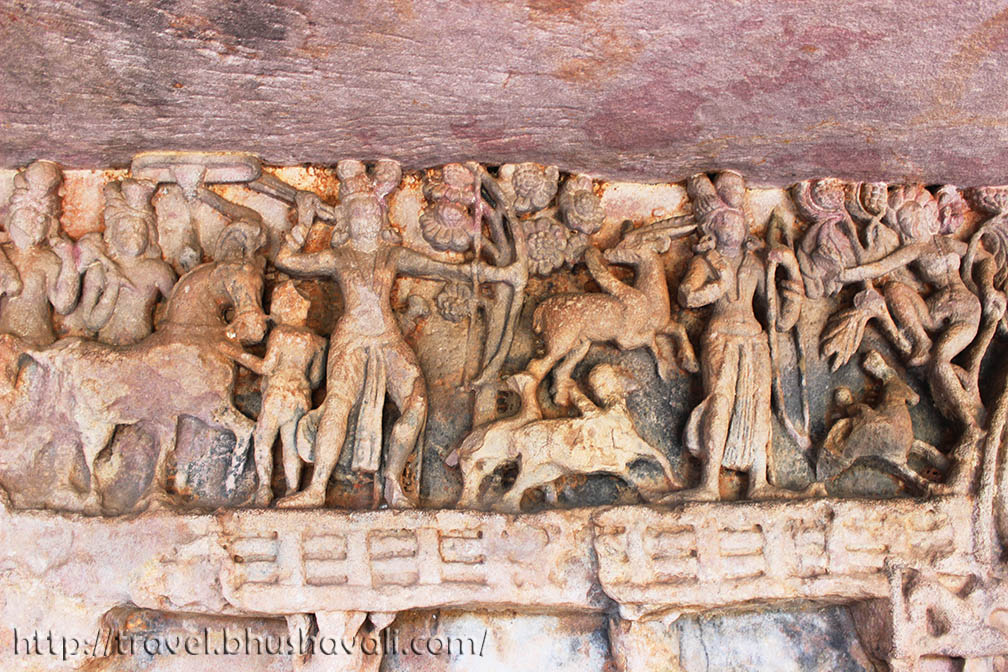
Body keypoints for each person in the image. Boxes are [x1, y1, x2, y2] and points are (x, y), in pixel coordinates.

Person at [273, 159, 521, 508]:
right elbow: (287, 260)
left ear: (380, 218)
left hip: (389, 340)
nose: (366, 218)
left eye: (372, 212)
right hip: (352, 340)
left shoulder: (392, 254)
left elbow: (442, 269)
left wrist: (497, 274)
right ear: (347, 219)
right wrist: (303, 221)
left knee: (417, 403)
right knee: (337, 406)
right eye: (358, 212)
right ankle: (316, 489)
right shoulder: (338, 257)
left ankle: (392, 479)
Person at [673, 172, 802, 501]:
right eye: (726, 223)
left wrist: (792, 274)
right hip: (721, 336)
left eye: (739, 222)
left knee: (759, 403)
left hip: (755, 339)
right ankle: (708, 483)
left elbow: (780, 317)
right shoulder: (708, 261)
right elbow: (687, 295)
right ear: (713, 228)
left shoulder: (755, 262)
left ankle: (759, 482)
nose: (735, 228)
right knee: (720, 400)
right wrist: (718, 284)